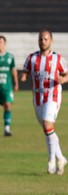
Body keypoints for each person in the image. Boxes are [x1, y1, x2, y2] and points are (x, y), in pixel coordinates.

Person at [21, 29, 67, 175]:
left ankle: (51, 160)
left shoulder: (58, 59)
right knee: (48, 130)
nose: (43, 42)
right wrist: (23, 77)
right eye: (41, 39)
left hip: (52, 96)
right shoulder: (32, 58)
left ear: (51, 41)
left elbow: (66, 74)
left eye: (46, 39)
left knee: (48, 125)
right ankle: (61, 158)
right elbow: (26, 71)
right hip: (37, 98)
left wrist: (63, 79)